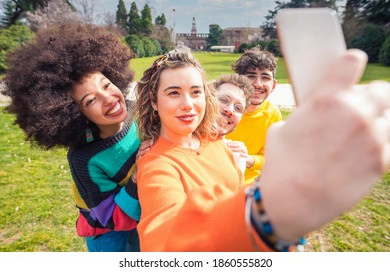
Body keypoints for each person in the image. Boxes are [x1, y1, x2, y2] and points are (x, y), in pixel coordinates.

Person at [133, 48, 390, 252]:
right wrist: (265, 213)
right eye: (173, 93)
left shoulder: (212, 138)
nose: (188, 104)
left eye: (196, 92)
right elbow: (161, 245)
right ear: (154, 102)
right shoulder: (156, 164)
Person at [2, 23, 144, 252]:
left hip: (142, 213)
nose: (109, 99)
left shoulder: (138, 110)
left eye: (107, 85)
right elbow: (109, 217)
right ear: (75, 115)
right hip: (107, 232)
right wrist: (138, 178)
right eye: (90, 100)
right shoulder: (85, 159)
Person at [226, 48, 282, 184]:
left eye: (265, 77)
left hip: (248, 186)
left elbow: (271, 159)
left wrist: (248, 159)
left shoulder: (272, 114)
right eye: (251, 76)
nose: (258, 84)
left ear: (273, 85)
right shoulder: (221, 108)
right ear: (238, 81)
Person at [213, 73, 254, 174]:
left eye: (238, 108)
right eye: (223, 100)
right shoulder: (183, 142)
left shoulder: (236, 157)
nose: (230, 110)